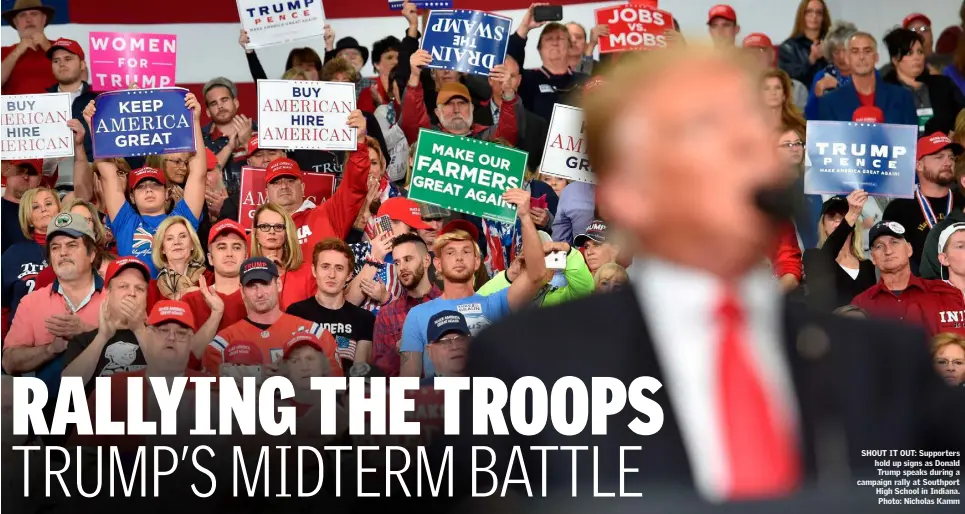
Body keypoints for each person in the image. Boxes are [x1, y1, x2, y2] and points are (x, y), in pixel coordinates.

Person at [453, 47, 965, 503]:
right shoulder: (529, 362)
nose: (745, 143)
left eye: (748, 124)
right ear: (630, 189)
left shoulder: (885, 362)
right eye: (704, 128)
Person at [399, 189, 546, 379]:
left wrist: (525, 217)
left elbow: (537, 274)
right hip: (439, 407)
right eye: (450, 252)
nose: (459, 257)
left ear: (477, 261)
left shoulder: (496, 304)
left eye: (467, 251)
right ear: (438, 264)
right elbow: (407, 385)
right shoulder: (417, 315)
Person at [82, 94, 207, 278]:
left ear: (167, 193)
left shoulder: (181, 218)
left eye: (155, 185)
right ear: (131, 197)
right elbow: (108, 174)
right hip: (137, 296)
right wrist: (95, 125)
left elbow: (198, 174)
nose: (148, 189)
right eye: (141, 187)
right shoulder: (125, 221)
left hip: (177, 295)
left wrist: (194, 121)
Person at [2, 212, 104, 408]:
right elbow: (9, 361)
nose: (63, 253)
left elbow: (141, 355)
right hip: (49, 413)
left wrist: (87, 335)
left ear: (92, 254)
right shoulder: (31, 302)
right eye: (55, 247)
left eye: (72, 245)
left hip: (107, 409)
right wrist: (51, 349)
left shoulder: (115, 298)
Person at [202, 257, 341, 377]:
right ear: (242, 291)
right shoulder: (223, 343)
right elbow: (210, 396)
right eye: (251, 286)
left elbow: (336, 388)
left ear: (278, 284)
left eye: (265, 284)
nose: (259, 293)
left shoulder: (314, 334)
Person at [851, 221, 964, 336]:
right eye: (879, 246)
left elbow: (959, 342)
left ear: (909, 249)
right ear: (872, 257)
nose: (888, 251)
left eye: (894, 242)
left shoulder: (943, 292)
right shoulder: (861, 304)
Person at [61, 257, 151, 389]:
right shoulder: (84, 340)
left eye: (140, 288)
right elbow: (69, 387)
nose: (132, 293)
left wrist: (139, 330)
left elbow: (172, 383)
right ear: (108, 293)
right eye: (123, 286)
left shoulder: (163, 336)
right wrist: (102, 337)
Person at [286, 238, 376, 368]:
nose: (331, 275)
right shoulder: (296, 313)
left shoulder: (364, 319)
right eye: (325, 267)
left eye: (339, 268)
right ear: (314, 270)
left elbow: (359, 375)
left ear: (349, 275)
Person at [883, 132, 964, 274]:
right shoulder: (898, 209)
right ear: (919, 165)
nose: (948, 162)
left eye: (952, 158)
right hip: (918, 291)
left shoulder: (963, 202)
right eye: (939, 157)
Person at [401, 50, 518, 146]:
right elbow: (413, 122)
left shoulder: (487, 137)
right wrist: (415, 76)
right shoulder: (428, 137)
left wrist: (507, 91)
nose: (456, 109)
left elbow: (508, 133)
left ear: (472, 108)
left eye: (462, 103)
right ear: (437, 112)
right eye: (448, 104)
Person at [370, 233, 441, 377]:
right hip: (406, 396)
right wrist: (398, 352)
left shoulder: (449, 303)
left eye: (408, 259)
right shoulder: (386, 314)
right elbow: (378, 373)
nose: (402, 267)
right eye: (397, 262)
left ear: (426, 260)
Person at [508, 5, 589, 121]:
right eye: (549, 39)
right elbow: (510, 62)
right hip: (538, 138)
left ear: (570, 46)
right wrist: (524, 27)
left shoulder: (585, 81)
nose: (555, 42)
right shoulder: (527, 79)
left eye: (560, 38)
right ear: (539, 49)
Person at [817, 32, 917, 125]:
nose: (861, 57)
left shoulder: (902, 97)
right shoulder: (829, 102)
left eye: (867, 51)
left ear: (876, 57)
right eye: (855, 51)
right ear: (847, 59)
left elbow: (911, 140)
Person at [883, 28, 965, 135]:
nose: (917, 58)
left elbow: (961, 118)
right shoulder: (886, 92)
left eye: (920, 52)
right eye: (909, 53)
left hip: (944, 148)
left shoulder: (943, 85)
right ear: (895, 59)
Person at [478, 230, 593, 307]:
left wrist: (568, 252)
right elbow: (476, 306)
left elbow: (584, 292)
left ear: (551, 274)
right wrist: (509, 276)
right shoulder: (502, 299)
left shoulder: (556, 303)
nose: (533, 271)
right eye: (529, 262)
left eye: (540, 263)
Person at [803, 193, 877, 309]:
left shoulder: (868, 266)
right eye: (831, 217)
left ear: (854, 224)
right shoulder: (812, 256)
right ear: (823, 225)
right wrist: (851, 215)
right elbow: (826, 258)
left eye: (843, 216)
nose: (838, 222)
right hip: (832, 326)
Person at [1, 187, 59, 324]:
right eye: (35, 207)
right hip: (22, 334)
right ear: (29, 219)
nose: (44, 209)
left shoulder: (76, 248)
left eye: (48, 203)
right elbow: (3, 308)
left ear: (60, 210)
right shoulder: (13, 254)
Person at [249, 202, 316, 310]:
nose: (272, 231)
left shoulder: (307, 273)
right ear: (256, 233)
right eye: (265, 226)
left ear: (286, 233)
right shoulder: (246, 274)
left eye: (278, 227)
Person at [201, 77, 254, 193]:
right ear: (208, 112)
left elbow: (268, 168)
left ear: (236, 103)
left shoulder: (258, 131)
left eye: (224, 100)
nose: (220, 106)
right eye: (213, 103)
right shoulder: (199, 138)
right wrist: (229, 147)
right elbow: (202, 175)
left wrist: (247, 142)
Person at [0, 0, 56, 95]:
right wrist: (18, 51)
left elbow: (81, 78)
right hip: (15, 109)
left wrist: (48, 47)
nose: (28, 19)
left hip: (58, 109)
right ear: (15, 22)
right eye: (22, 15)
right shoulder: (3, 52)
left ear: (44, 19)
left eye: (34, 14)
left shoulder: (64, 46)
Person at [805, 21, 857, 120]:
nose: (841, 57)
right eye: (836, 52)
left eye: (845, 50)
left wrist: (839, 88)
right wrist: (816, 96)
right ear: (830, 53)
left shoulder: (868, 74)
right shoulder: (821, 76)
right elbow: (810, 118)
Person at [152, 216, 206, 300]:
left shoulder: (210, 278)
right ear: (162, 249)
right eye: (169, 239)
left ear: (192, 244)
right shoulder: (152, 289)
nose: (176, 242)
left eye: (182, 236)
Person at [778, 0, 831, 87]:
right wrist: (810, 60)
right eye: (809, 11)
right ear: (802, 15)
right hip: (802, 98)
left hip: (830, 96)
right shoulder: (788, 47)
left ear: (824, 18)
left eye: (819, 13)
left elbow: (843, 73)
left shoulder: (832, 43)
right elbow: (787, 80)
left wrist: (829, 57)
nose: (814, 16)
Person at [421, 310, 471, 386]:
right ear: (430, 351)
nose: (455, 347)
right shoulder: (417, 394)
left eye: (460, 339)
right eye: (445, 342)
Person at [1, 160, 41, 253]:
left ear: (39, 179)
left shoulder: (48, 211)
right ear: (6, 172)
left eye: (31, 173)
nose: (26, 176)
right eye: (20, 170)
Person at [761, 68, 806, 135]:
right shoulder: (750, 127)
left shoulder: (798, 126)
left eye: (777, 88)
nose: (773, 92)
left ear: (784, 95)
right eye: (767, 88)